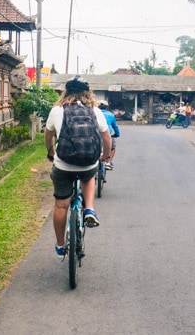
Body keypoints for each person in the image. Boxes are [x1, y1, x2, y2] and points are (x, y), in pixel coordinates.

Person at [45, 76, 112, 258]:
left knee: (61, 205)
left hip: (63, 164)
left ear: (65, 92)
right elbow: (107, 138)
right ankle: (89, 209)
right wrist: (104, 157)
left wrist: (51, 153)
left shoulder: (57, 110)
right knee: (89, 175)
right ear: (87, 93)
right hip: (88, 162)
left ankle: (60, 246)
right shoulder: (95, 111)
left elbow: (48, 135)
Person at [98, 102, 120, 169]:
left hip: (96, 134)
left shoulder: (95, 113)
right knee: (112, 148)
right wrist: (117, 134)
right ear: (107, 107)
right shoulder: (110, 115)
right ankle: (108, 162)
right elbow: (115, 127)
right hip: (107, 134)